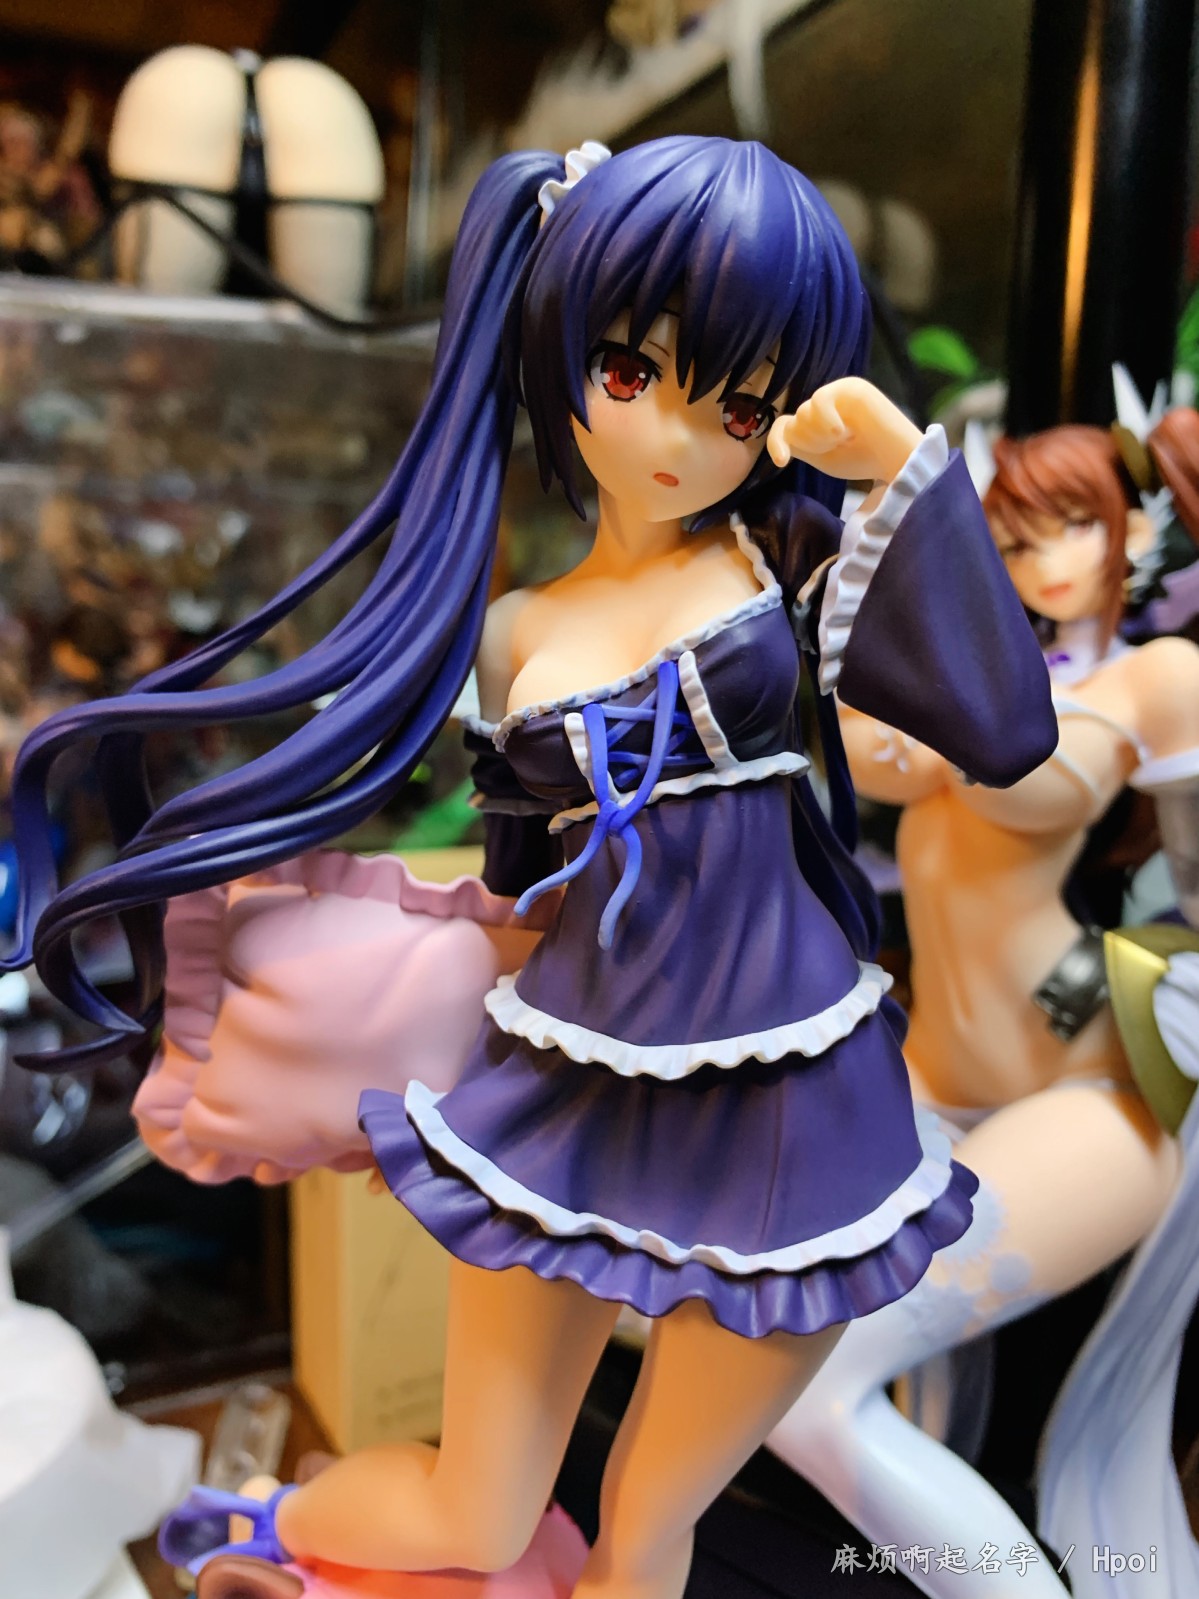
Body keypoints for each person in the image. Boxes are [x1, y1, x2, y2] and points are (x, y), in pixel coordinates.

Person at [5, 137, 1055, 1599]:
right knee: (476, 1513)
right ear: (562, 347)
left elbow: (1004, 731)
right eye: (630, 370)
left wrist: (900, 477)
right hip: (566, 1096)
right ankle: (266, 1529)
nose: (677, 437)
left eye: (736, 402)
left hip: (788, 1112)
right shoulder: (515, 633)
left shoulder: (785, 556)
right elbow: (520, 881)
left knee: (648, 1528)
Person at [768, 410, 1199, 1598]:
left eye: (1071, 524)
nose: (1041, 558)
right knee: (761, 1345)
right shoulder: (978, 660)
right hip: (919, 1076)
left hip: (1085, 1095)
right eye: (1010, 538)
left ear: (1134, 532)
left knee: (808, 1387)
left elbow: (1181, 872)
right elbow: (864, 738)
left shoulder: (1156, 679)